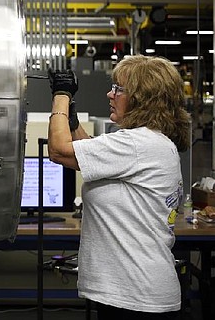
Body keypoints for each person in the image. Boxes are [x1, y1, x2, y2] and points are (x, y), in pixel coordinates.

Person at [47, 55, 191, 320]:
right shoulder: (148, 143)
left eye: (119, 89)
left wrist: (61, 96)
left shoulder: (137, 144)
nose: (110, 94)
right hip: (136, 290)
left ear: (142, 98)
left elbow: (58, 151)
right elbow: (90, 153)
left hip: (135, 295)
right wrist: (72, 122)